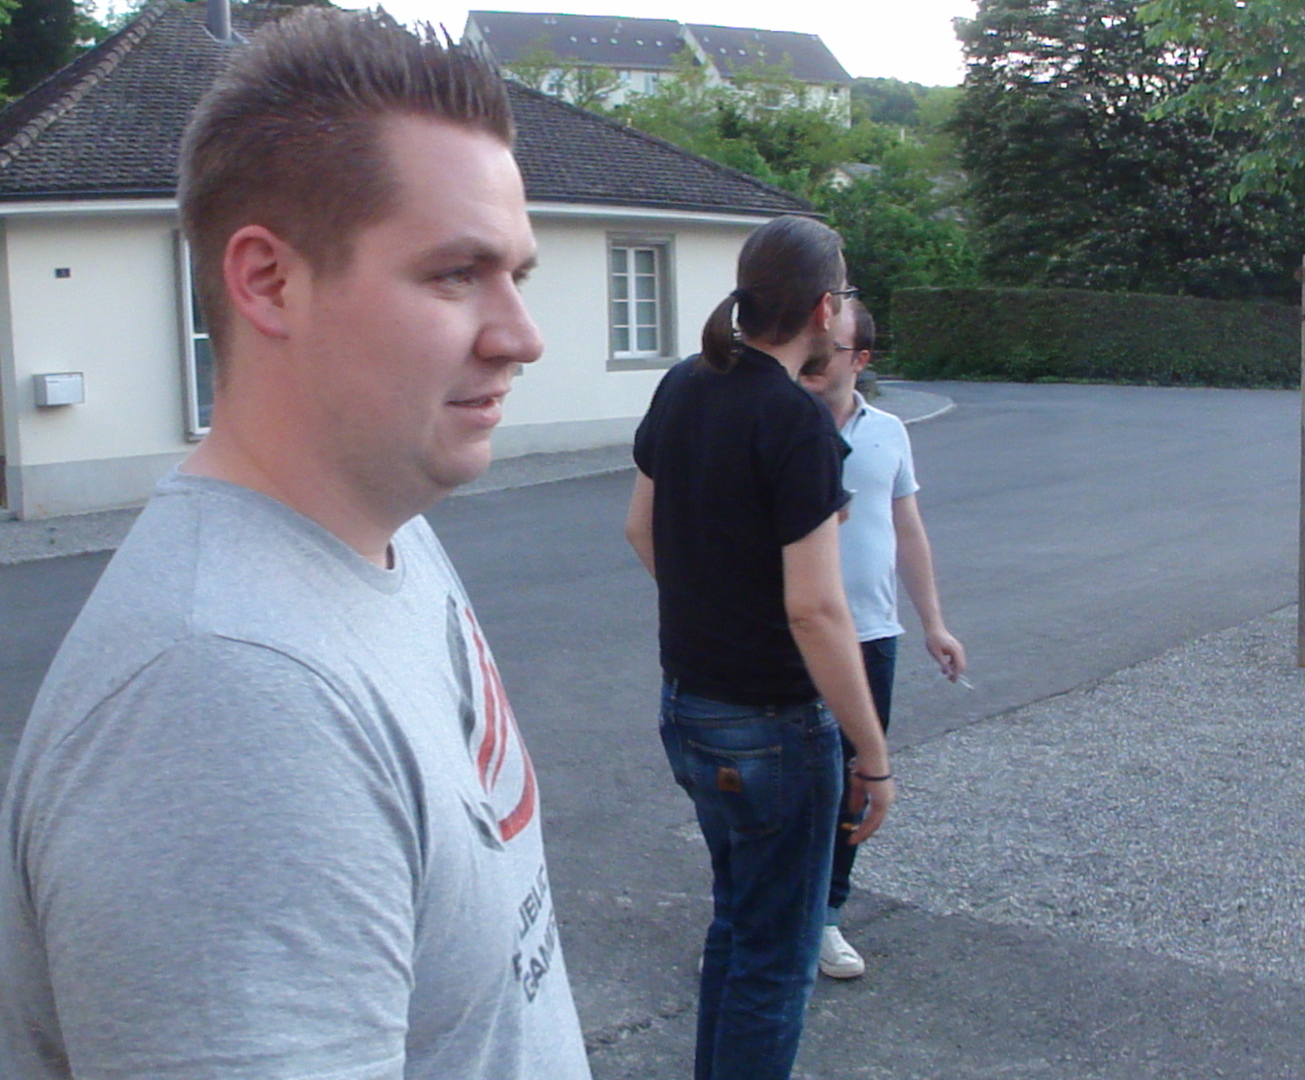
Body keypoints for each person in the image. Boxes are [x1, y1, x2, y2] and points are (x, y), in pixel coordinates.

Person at [0, 12, 582, 1076]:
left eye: (519, 276)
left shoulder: (385, 533)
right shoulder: (224, 700)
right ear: (268, 281)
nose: (521, 335)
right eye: (456, 273)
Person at [626, 216, 891, 1079]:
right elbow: (815, 608)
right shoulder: (797, 422)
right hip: (773, 726)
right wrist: (874, 756)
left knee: (738, 927)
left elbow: (640, 528)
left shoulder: (683, 384)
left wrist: (715, 608)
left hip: (689, 706)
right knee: (775, 963)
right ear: (823, 309)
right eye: (843, 293)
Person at [800, 294, 967, 981]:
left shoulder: (889, 432)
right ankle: (757, 921)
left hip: (870, 634)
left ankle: (825, 916)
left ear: (861, 360)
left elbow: (907, 529)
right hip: (795, 632)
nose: (813, 357)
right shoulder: (777, 424)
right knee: (782, 786)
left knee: (855, 783)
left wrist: (933, 623)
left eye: (830, 349)